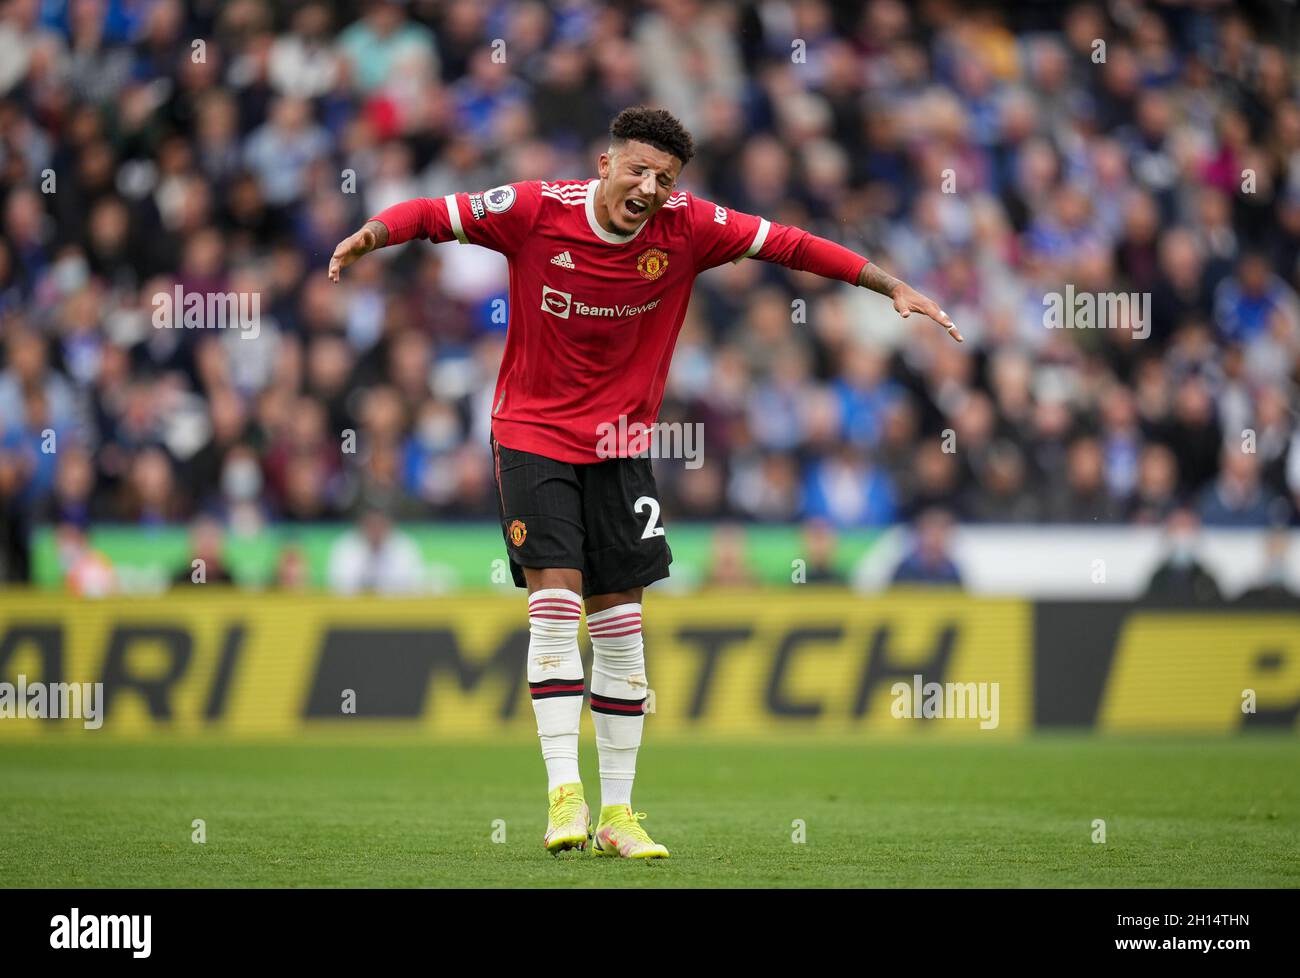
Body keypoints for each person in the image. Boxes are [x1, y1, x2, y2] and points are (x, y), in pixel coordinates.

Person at [328, 106, 958, 859]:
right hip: (531, 435)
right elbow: (434, 213)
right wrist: (371, 235)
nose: (650, 187)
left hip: (622, 446)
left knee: (622, 629)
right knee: (557, 606)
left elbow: (789, 244)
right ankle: (565, 793)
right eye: (638, 170)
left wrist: (889, 286)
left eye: (664, 179)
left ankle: (618, 815)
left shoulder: (690, 226)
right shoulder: (534, 211)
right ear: (605, 165)